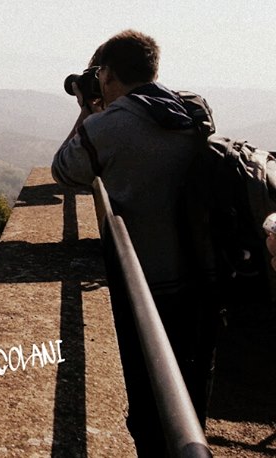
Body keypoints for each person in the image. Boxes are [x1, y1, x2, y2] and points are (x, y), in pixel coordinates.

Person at [51, 29, 218, 457]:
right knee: (188, 397)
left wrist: (88, 112)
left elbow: (64, 172)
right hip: (202, 275)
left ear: (106, 74)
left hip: (144, 284)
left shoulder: (110, 124)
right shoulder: (192, 109)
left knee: (148, 404)